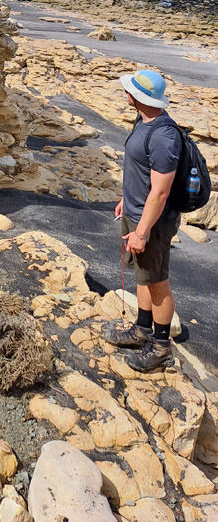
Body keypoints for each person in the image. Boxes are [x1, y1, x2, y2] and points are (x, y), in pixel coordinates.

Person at [103, 69, 181, 371]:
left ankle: (161, 347)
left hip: (153, 223)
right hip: (136, 214)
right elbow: (142, 171)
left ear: (137, 96)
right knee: (142, 276)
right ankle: (141, 330)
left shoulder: (164, 136)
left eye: (129, 90)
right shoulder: (144, 120)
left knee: (157, 281)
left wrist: (142, 231)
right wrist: (127, 199)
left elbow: (160, 193)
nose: (125, 94)